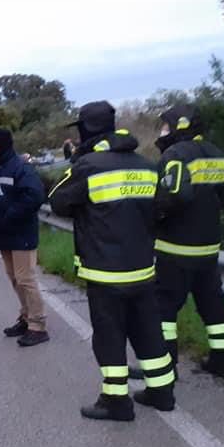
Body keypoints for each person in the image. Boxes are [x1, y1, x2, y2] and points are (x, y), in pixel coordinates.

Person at [49, 101, 175, 421]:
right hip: (143, 267)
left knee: (110, 336)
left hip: (105, 272)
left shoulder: (88, 166)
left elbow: (58, 201)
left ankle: (117, 401)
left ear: (86, 131)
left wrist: (75, 162)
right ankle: (162, 392)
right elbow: (162, 208)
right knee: (148, 330)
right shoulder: (147, 165)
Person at [129, 104, 224, 379]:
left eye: (166, 125)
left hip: (175, 247)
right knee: (212, 304)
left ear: (179, 125)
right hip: (209, 246)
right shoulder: (217, 153)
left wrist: (156, 216)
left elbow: (174, 194)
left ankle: (165, 365)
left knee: (163, 307)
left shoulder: (175, 154)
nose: (163, 130)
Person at [0, 128, 48, 347]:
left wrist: (8, 217)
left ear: (2, 146)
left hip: (22, 233)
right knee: (13, 278)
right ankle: (26, 317)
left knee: (25, 278)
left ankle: (37, 327)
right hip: (2, 234)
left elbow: (34, 196)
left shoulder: (21, 168)